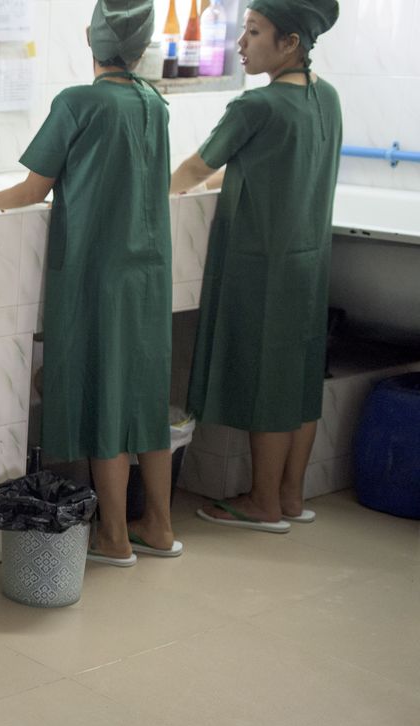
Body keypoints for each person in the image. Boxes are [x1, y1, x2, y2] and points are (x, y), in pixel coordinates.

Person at [0, 0, 181, 566]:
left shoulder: (80, 101)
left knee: (104, 394)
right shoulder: (154, 103)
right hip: (148, 274)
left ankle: (115, 537)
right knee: (144, 397)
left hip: (99, 273)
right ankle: (160, 528)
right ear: (141, 45)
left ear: (89, 37)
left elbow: (29, 191)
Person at [170, 0, 341, 533]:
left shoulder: (257, 105)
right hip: (307, 265)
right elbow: (262, 168)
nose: (241, 43)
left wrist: (152, 200)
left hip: (263, 266)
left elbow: (198, 167)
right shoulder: (325, 97)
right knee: (299, 376)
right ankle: (289, 496)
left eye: (254, 32)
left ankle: (263, 502)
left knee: (267, 380)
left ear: (290, 43)